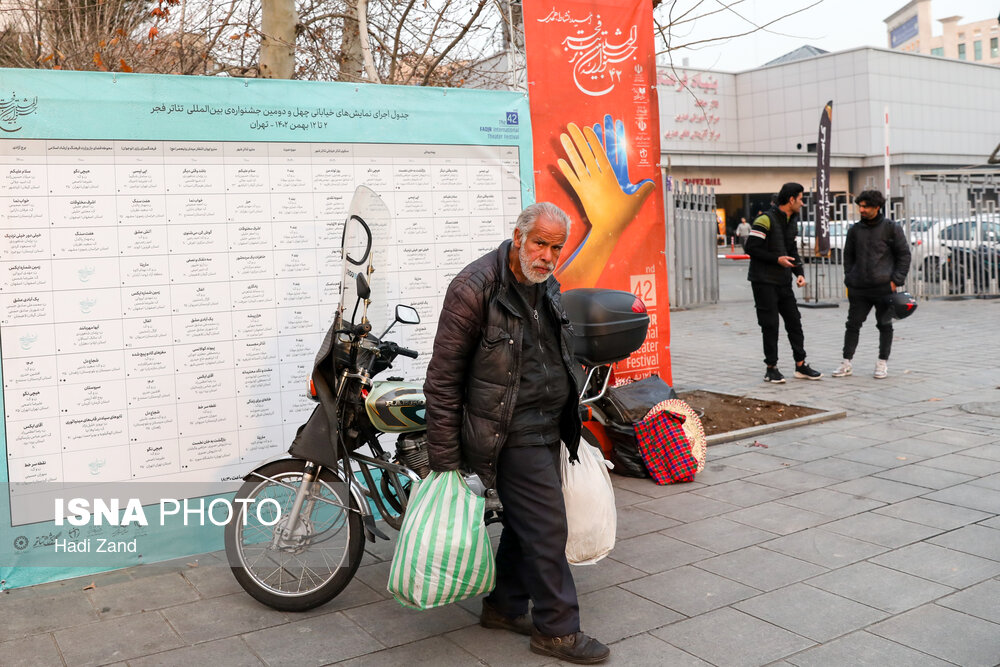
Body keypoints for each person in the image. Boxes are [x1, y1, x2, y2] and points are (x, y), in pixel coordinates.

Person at [423, 202, 610, 665]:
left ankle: (505, 607)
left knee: (527, 521)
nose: (547, 256)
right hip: (506, 430)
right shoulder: (474, 288)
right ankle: (557, 629)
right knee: (547, 528)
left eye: (556, 247)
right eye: (540, 244)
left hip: (547, 422)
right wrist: (445, 462)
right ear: (519, 236)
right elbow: (443, 380)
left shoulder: (546, 285)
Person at [744, 182, 822, 383]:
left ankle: (801, 365)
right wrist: (776, 259)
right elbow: (751, 248)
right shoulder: (765, 219)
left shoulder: (791, 220)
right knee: (770, 325)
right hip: (763, 281)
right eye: (801, 199)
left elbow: (792, 250)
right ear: (791, 199)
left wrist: (799, 272)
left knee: (794, 321)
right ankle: (771, 368)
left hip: (783, 281)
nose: (802, 203)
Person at [832, 189, 911, 379]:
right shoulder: (854, 230)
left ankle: (882, 363)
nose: (862, 209)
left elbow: (904, 255)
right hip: (858, 287)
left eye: (866, 206)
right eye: (860, 206)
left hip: (884, 287)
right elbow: (848, 256)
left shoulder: (891, 228)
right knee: (852, 325)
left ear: (877, 207)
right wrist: (849, 278)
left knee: (884, 325)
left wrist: (895, 281)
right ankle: (846, 363)